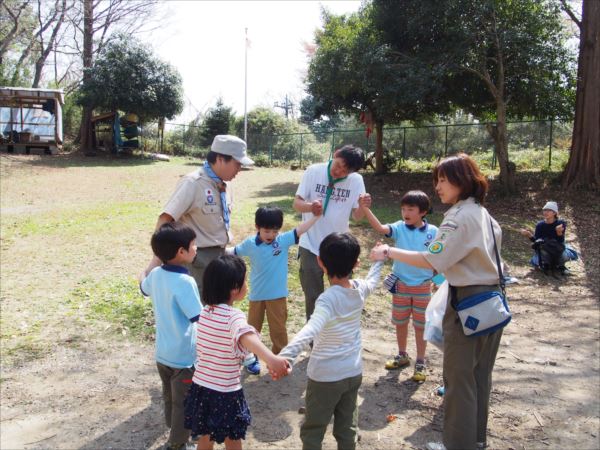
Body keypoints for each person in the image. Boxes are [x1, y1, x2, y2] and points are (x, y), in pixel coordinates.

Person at [371, 153, 504, 450]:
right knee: (479, 375)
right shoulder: (484, 213)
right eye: (437, 180)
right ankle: (476, 440)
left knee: (459, 379)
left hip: (468, 303)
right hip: (493, 302)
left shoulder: (457, 217)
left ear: (463, 180)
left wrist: (389, 252)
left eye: (444, 180)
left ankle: (458, 444)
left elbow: (433, 259)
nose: (438, 187)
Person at [278, 232, 383, 450]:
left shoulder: (327, 299)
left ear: (320, 262)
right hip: (352, 372)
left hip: (325, 377)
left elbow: (311, 329)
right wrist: (380, 260)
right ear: (356, 263)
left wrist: (284, 356)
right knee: (347, 428)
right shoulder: (359, 288)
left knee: (314, 429)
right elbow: (373, 280)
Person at [184, 255, 290, 450]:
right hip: (225, 392)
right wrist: (271, 358)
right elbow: (246, 337)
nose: (246, 285)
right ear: (234, 288)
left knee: (205, 435)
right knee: (232, 438)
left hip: (202, 387)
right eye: (244, 281)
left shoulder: (206, 312)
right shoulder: (233, 317)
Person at [144, 135, 254, 294]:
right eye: (237, 164)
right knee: (200, 308)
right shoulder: (192, 183)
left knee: (218, 305)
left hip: (220, 256)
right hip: (197, 260)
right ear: (220, 159)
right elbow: (166, 218)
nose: (239, 169)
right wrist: (159, 258)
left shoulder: (225, 185)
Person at [229, 206, 320, 375]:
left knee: (278, 329)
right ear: (257, 227)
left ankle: (280, 358)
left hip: (277, 296)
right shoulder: (250, 244)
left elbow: (300, 229)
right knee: (252, 328)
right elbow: (233, 252)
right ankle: (250, 358)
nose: (271, 235)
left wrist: (315, 217)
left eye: (274, 231)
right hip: (256, 295)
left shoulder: (283, 240)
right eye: (266, 231)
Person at [358, 190, 439, 382]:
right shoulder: (399, 227)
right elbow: (379, 228)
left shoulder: (434, 232)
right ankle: (402, 355)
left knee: (420, 326)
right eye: (403, 209)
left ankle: (420, 361)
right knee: (400, 322)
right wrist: (365, 208)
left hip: (422, 287)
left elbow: (437, 259)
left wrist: (438, 281)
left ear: (423, 212)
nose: (405, 213)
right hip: (401, 286)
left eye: (410, 209)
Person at [139, 222, 202, 450]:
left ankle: (176, 429)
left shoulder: (156, 274)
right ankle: (178, 442)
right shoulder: (185, 282)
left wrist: (141, 273)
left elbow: (143, 288)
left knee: (170, 398)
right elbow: (198, 318)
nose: (196, 248)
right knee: (183, 402)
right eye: (193, 245)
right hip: (183, 357)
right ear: (181, 252)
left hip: (162, 354)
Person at [293, 145, 370, 321]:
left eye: (345, 171)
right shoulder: (313, 171)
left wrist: (363, 206)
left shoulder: (356, 180)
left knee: (343, 295)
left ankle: (339, 336)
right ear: (335, 154)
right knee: (312, 296)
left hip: (339, 247)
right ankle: (314, 341)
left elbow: (357, 216)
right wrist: (310, 207)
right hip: (310, 244)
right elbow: (297, 203)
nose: (339, 171)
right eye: (338, 165)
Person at [519, 201, 578, 275]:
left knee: (563, 256)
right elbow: (537, 241)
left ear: (554, 213)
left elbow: (560, 241)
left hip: (558, 249)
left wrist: (559, 232)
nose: (545, 212)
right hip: (545, 250)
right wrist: (529, 235)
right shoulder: (540, 225)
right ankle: (549, 264)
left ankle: (560, 265)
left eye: (549, 210)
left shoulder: (560, 223)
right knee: (539, 258)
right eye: (544, 210)